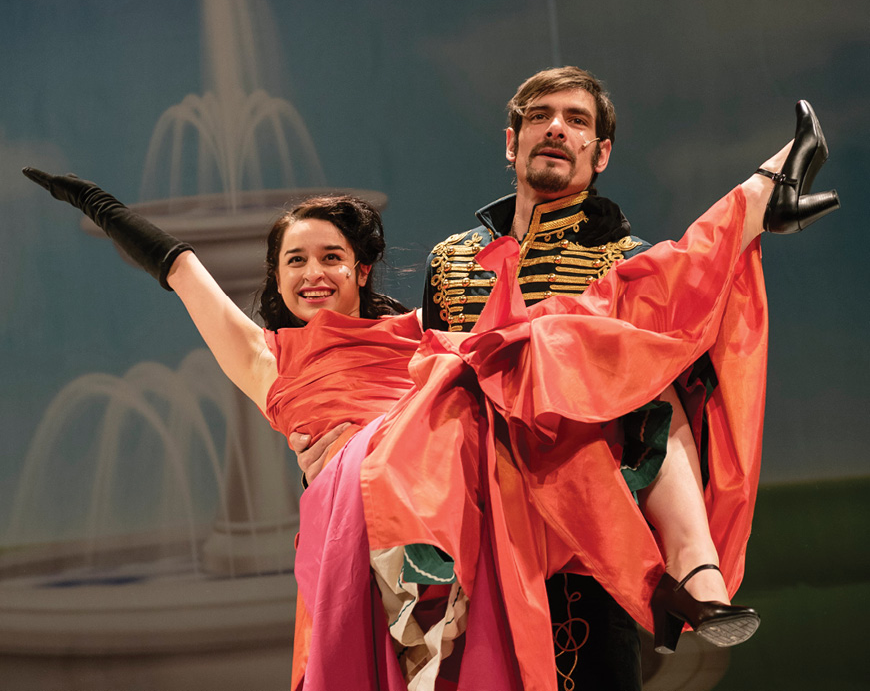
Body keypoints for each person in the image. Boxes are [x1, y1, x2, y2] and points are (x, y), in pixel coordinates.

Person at [22, 98, 836, 690]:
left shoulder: (417, 336)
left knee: (591, 351)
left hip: (463, 477)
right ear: (274, 277)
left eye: (331, 257)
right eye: (295, 260)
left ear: (361, 270)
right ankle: (759, 200)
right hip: (363, 502)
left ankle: (689, 572)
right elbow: (182, 271)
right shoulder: (266, 356)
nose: (313, 272)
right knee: (550, 349)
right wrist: (98, 205)